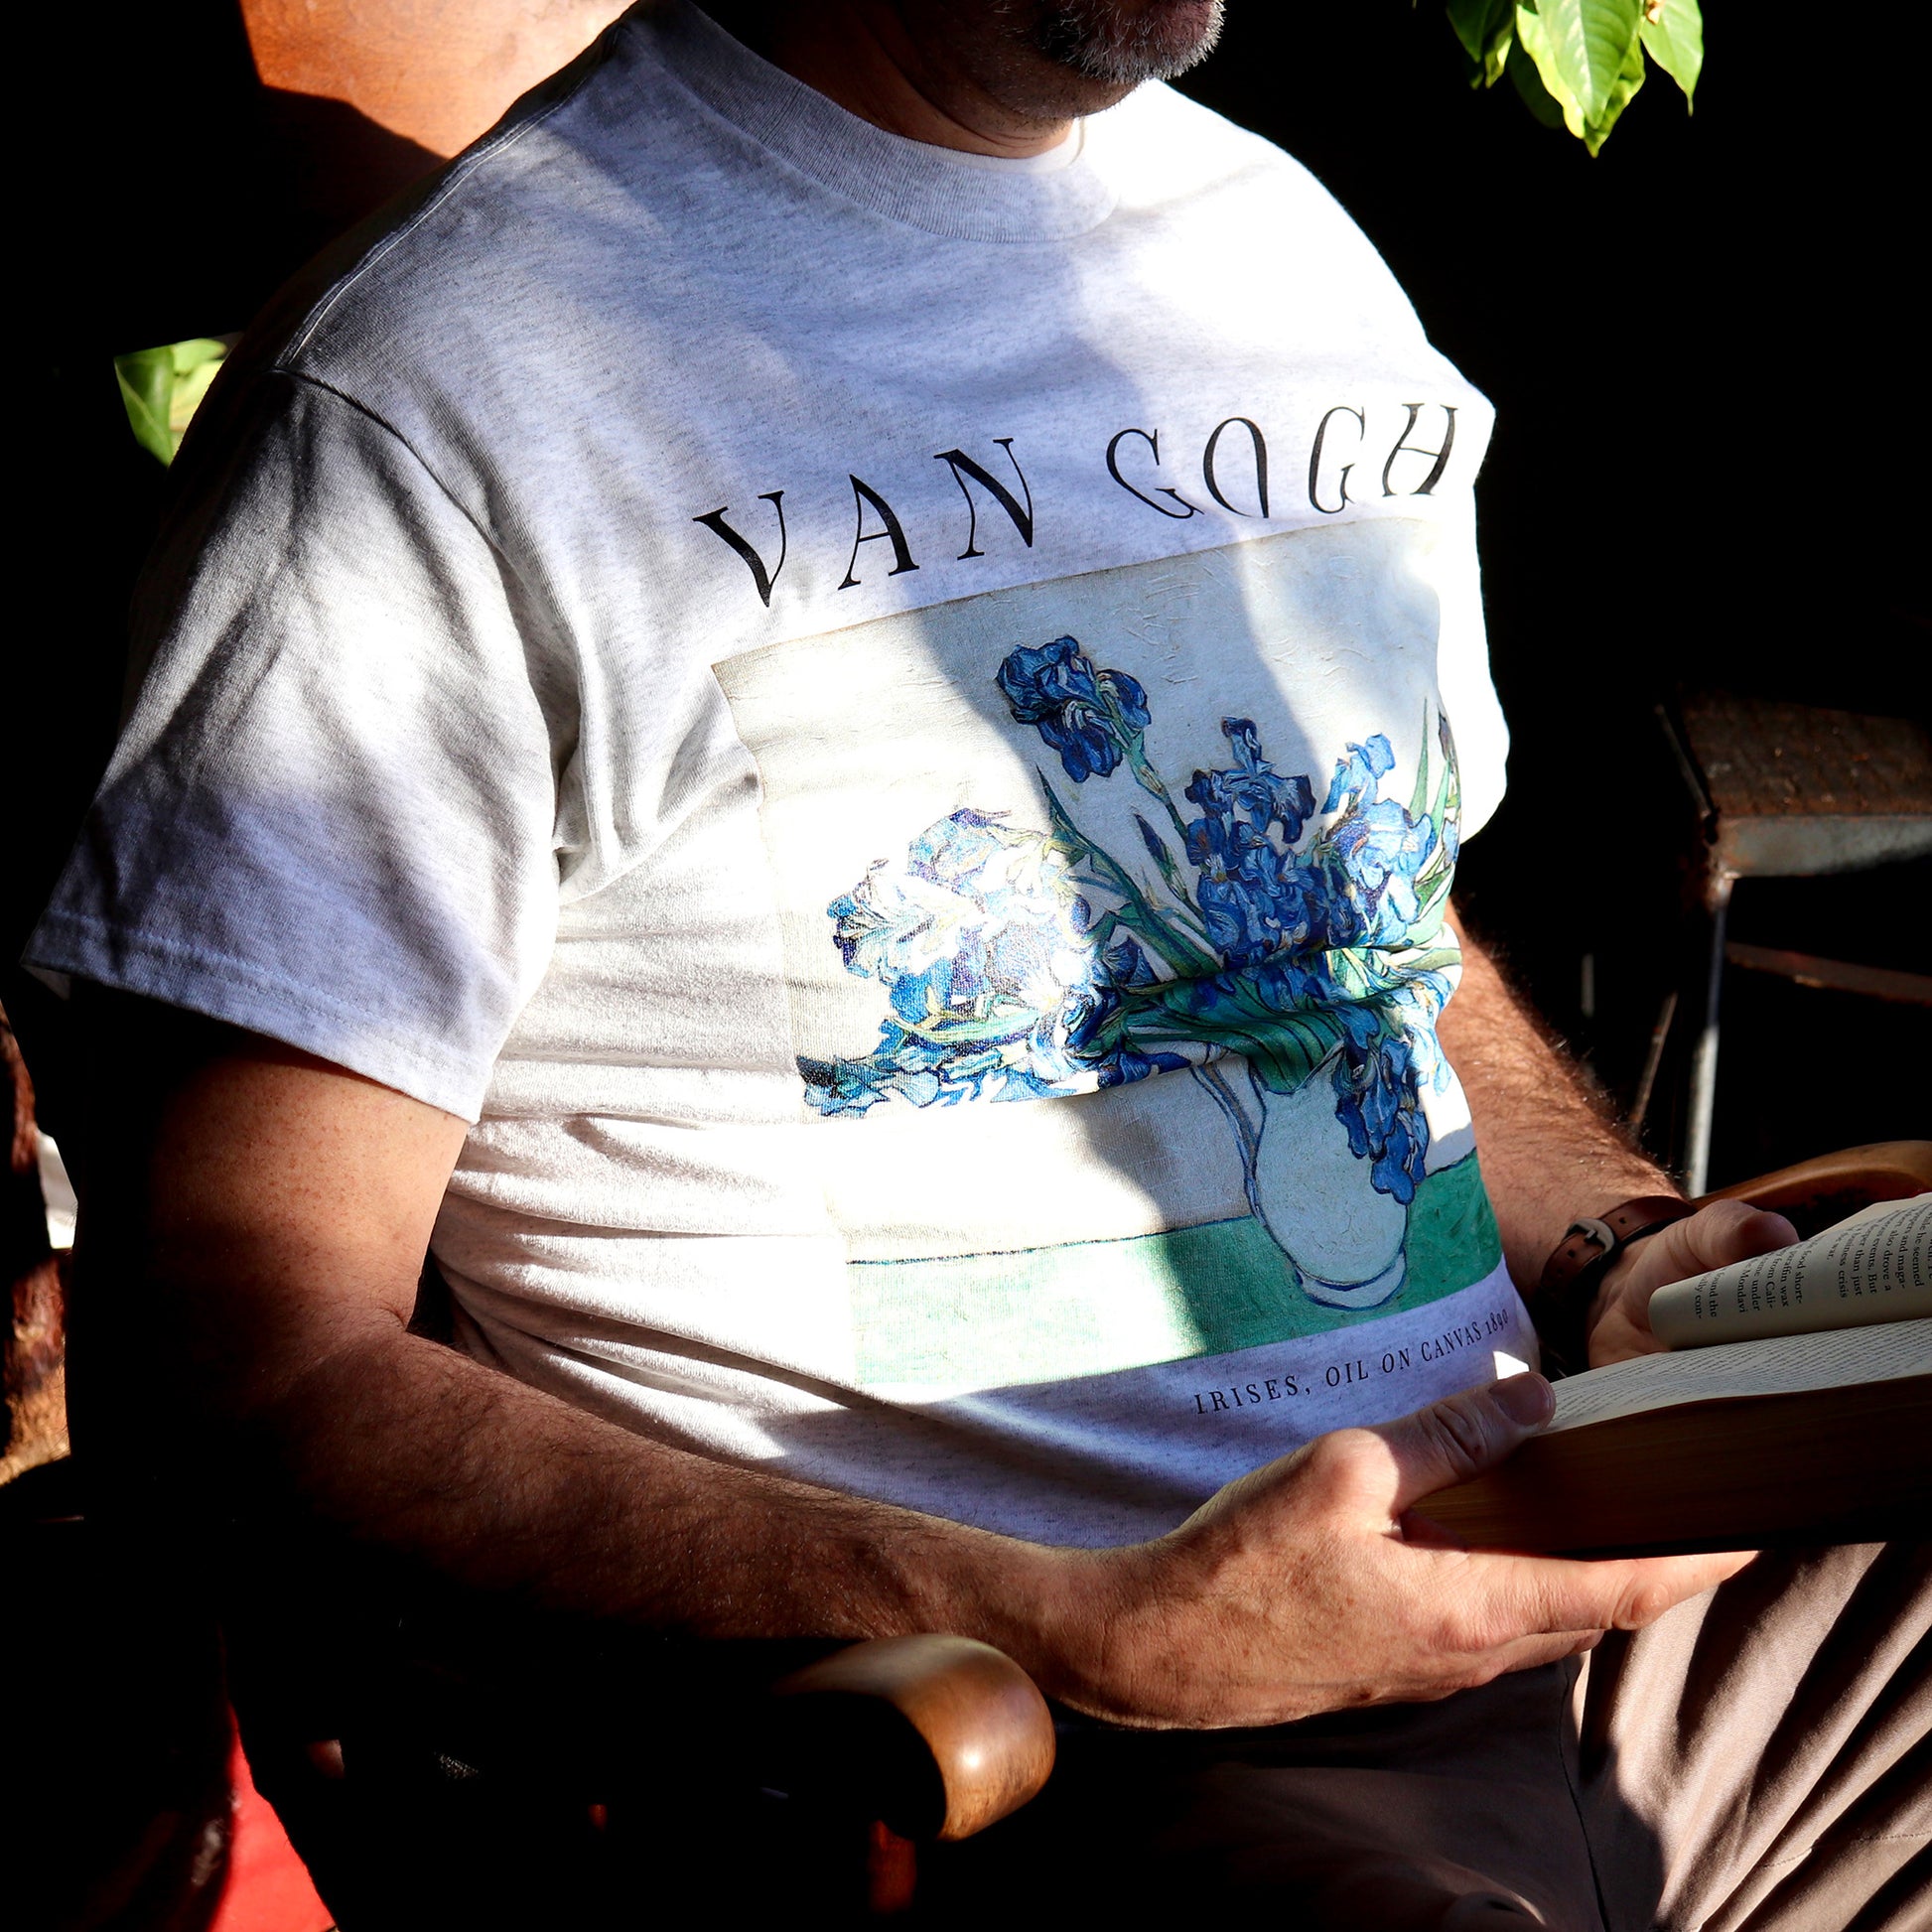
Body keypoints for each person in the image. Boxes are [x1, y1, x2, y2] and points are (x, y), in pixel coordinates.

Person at [30, 2, 1929, 1924]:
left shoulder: (1279, 258)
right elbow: (237, 1367)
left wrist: (1612, 1244)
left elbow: (1382, 935)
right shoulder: (434, 407)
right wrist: (1088, 1626)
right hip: (1035, 1759)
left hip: (1585, 1576)